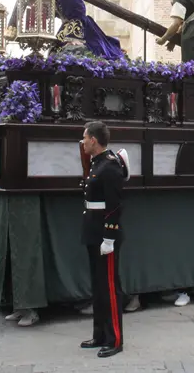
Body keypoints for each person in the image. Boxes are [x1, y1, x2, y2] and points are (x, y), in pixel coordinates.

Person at [79, 121, 126, 358]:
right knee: (98, 289)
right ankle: (99, 335)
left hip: (104, 236)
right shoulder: (97, 163)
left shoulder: (110, 166)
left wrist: (109, 237)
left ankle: (114, 339)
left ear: (94, 140)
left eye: (85, 138)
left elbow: (114, 205)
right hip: (93, 232)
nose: (83, 142)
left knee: (109, 288)